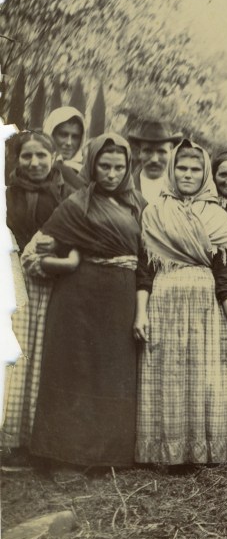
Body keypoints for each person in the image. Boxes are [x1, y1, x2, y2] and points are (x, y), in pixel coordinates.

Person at [29, 133, 146, 469]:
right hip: (77, 294)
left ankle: (106, 455)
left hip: (120, 294)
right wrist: (66, 262)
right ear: (92, 165)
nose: (111, 173)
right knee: (74, 367)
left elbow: (145, 256)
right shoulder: (76, 204)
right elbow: (41, 250)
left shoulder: (139, 205)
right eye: (104, 166)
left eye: (118, 167)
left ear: (127, 169)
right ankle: (61, 451)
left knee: (113, 369)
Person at [133, 140, 227, 465]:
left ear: (205, 173)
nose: (188, 174)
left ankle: (206, 452)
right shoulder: (154, 212)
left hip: (206, 302)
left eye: (195, 169)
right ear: (172, 169)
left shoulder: (218, 216)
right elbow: (145, 270)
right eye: (182, 167)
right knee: (167, 372)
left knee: (207, 373)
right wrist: (140, 314)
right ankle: (166, 452)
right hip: (164, 298)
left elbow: (225, 276)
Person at [2, 131, 83, 460]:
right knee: (15, 354)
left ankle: (37, 438)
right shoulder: (7, 193)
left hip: (54, 282)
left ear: (53, 159)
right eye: (27, 156)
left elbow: (79, 230)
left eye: (41, 156)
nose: (34, 163)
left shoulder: (68, 192)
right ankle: (8, 439)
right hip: (12, 281)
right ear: (17, 159)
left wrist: (59, 255)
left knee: (43, 356)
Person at [126, 118, 183, 204]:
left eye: (161, 151)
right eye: (148, 151)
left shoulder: (182, 189)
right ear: (139, 153)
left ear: (171, 153)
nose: (154, 159)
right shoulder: (125, 187)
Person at [42, 106, 86, 173]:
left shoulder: (85, 173)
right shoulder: (37, 168)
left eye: (75, 137)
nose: (69, 143)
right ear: (51, 135)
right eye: (63, 135)